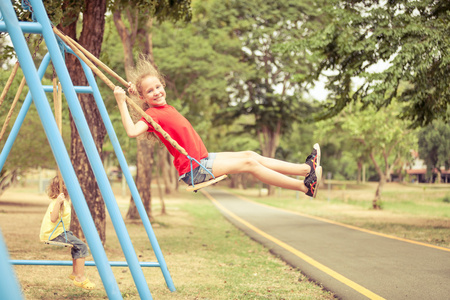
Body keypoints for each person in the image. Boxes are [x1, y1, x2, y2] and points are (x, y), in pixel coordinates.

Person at [114, 57, 322, 197]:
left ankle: (306, 169)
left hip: (204, 159)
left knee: (251, 154)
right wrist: (122, 101)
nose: (157, 92)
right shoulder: (151, 115)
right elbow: (132, 131)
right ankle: (304, 187)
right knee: (250, 164)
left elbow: (145, 96)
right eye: (150, 91)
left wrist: (135, 92)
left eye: (158, 86)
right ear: (144, 97)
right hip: (195, 169)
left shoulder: (163, 107)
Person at [39, 176, 95, 290]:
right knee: (82, 246)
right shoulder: (58, 202)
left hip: (58, 232)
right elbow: (53, 218)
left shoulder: (64, 201)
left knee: (76, 245)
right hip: (53, 234)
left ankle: (75, 273)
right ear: (62, 188)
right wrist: (59, 202)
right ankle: (80, 277)